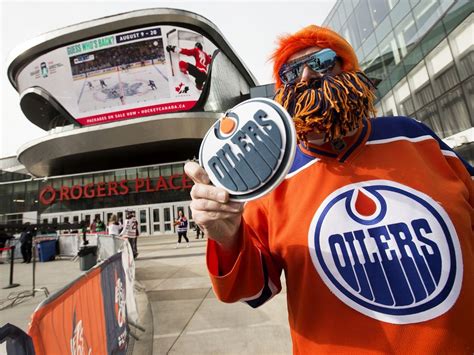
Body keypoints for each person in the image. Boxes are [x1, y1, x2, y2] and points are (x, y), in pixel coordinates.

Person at [184, 25, 474, 354]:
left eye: (322, 61)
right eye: (291, 72)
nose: (307, 76)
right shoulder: (273, 177)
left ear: (347, 68)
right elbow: (252, 290)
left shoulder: (414, 136)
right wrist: (226, 235)